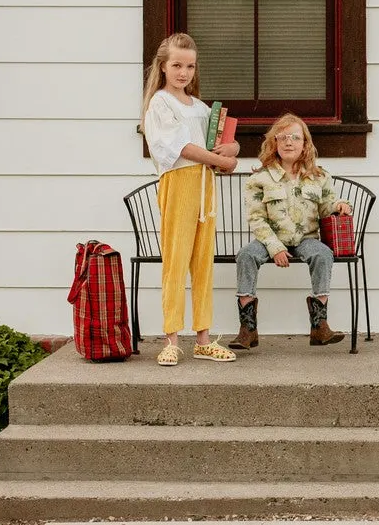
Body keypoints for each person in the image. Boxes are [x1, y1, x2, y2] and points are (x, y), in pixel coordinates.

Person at [140, 32, 241, 366]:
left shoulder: (199, 108)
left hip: (204, 186)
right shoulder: (160, 103)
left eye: (190, 66)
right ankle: (171, 338)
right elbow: (180, 147)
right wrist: (220, 160)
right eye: (177, 65)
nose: (183, 72)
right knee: (176, 259)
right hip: (179, 183)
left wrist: (232, 151)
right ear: (164, 67)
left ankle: (202, 337)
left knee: (202, 262)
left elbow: (219, 146)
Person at [232, 114, 353, 349]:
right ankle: (248, 328)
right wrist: (275, 247)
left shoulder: (319, 177)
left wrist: (339, 206)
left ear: (305, 144)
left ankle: (320, 325)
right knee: (246, 255)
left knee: (322, 254)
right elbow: (256, 218)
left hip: (306, 238)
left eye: (295, 137)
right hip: (269, 239)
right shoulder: (260, 178)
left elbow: (326, 207)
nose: (289, 142)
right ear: (274, 143)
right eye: (283, 137)